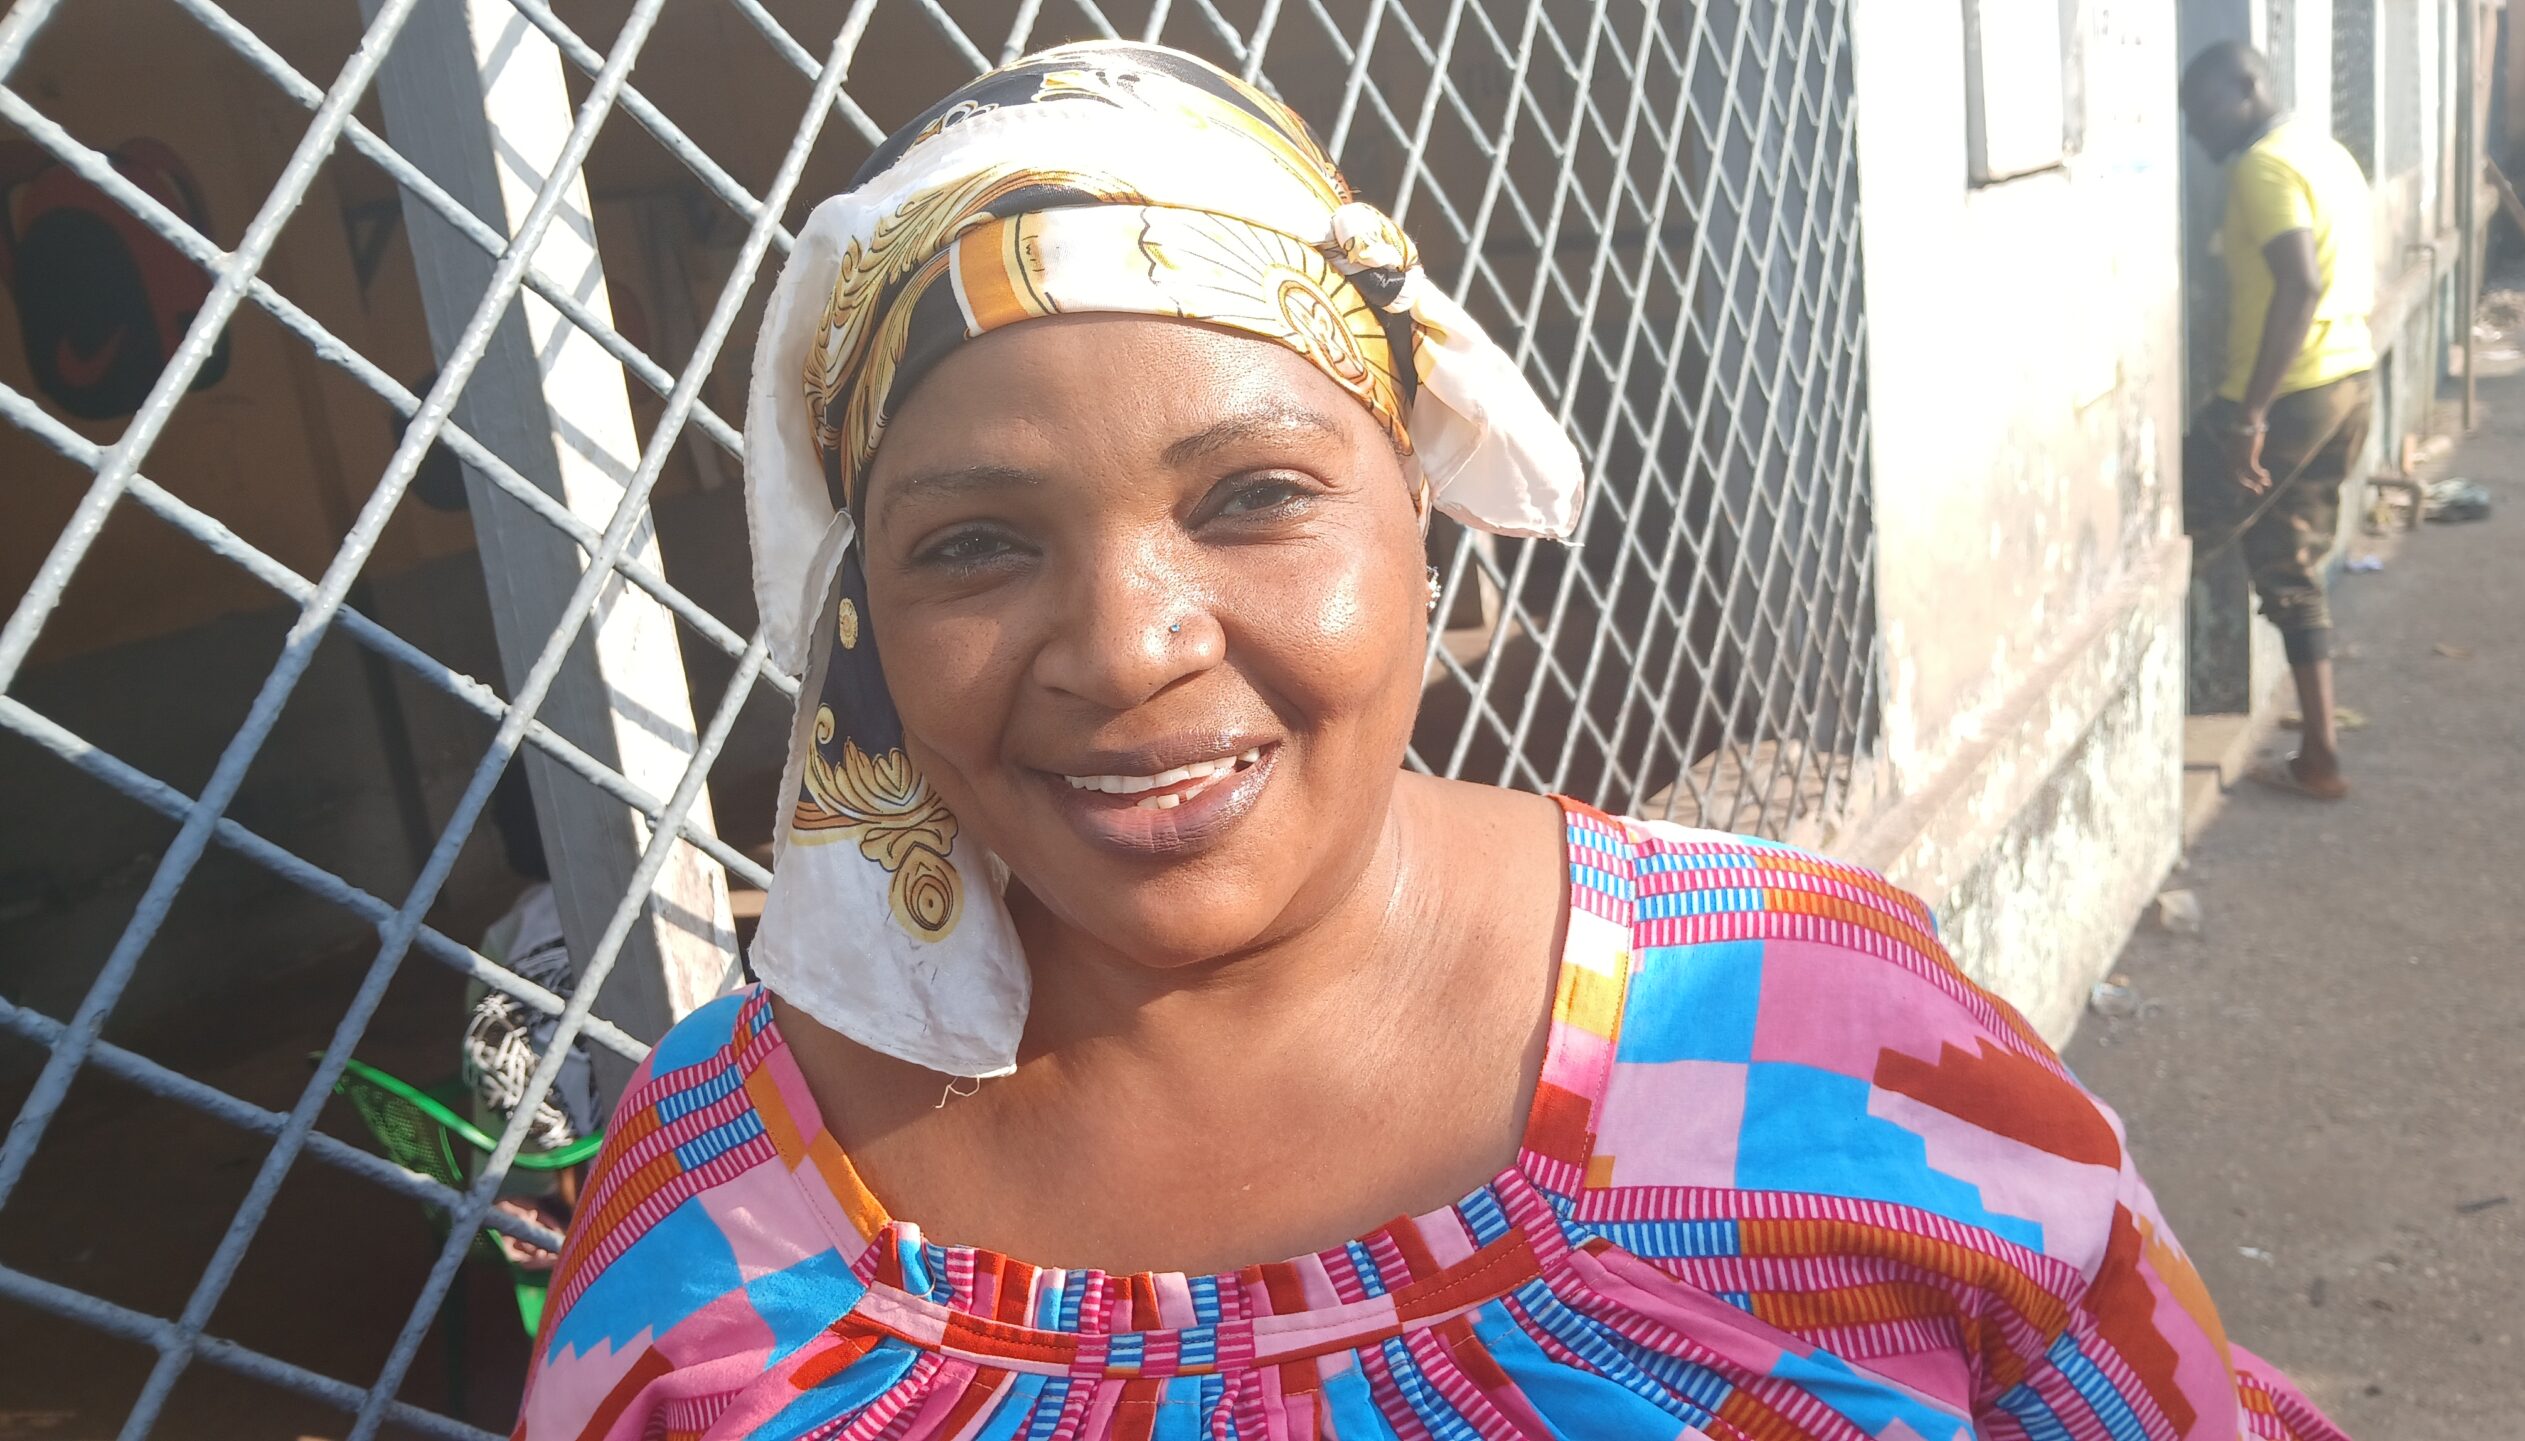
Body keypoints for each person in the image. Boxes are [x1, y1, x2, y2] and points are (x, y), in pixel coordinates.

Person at [515, 43, 2351, 1440]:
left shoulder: (1825, 1035)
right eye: (976, 543)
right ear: (866, 619)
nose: (1128, 649)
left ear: (1415, 507)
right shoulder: (713, 1209)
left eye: (1250, 496)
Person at [2180, 40, 2377, 801]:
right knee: (2289, 561)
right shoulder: (2324, 152)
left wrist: (2251, 417)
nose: (2195, 129)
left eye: (2203, 109)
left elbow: (2301, 283)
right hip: (2347, 380)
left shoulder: (2263, 168)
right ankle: (2320, 756)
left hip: (2288, 395)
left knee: (2171, 532)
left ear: (2248, 87)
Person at [462, 761, 598, 1271]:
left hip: (540, 1174)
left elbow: (487, 1054)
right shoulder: (622, 908)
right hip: (612, 1166)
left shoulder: (506, 935)